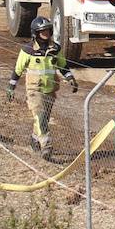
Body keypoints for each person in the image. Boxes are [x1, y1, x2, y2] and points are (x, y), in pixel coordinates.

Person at [6, 16, 77, 159]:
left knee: (43, 118)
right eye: (42, 31)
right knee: (40, 116)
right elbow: (18, 69)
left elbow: (63, 65)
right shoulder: (28, 50)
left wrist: (70, 79)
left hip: (50, 90)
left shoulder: (55, 49)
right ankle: (47, 146)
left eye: (47, 30)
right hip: (34, 90)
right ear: (35, 33)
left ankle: (34, 139)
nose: (45, 33)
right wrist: (11, 87)